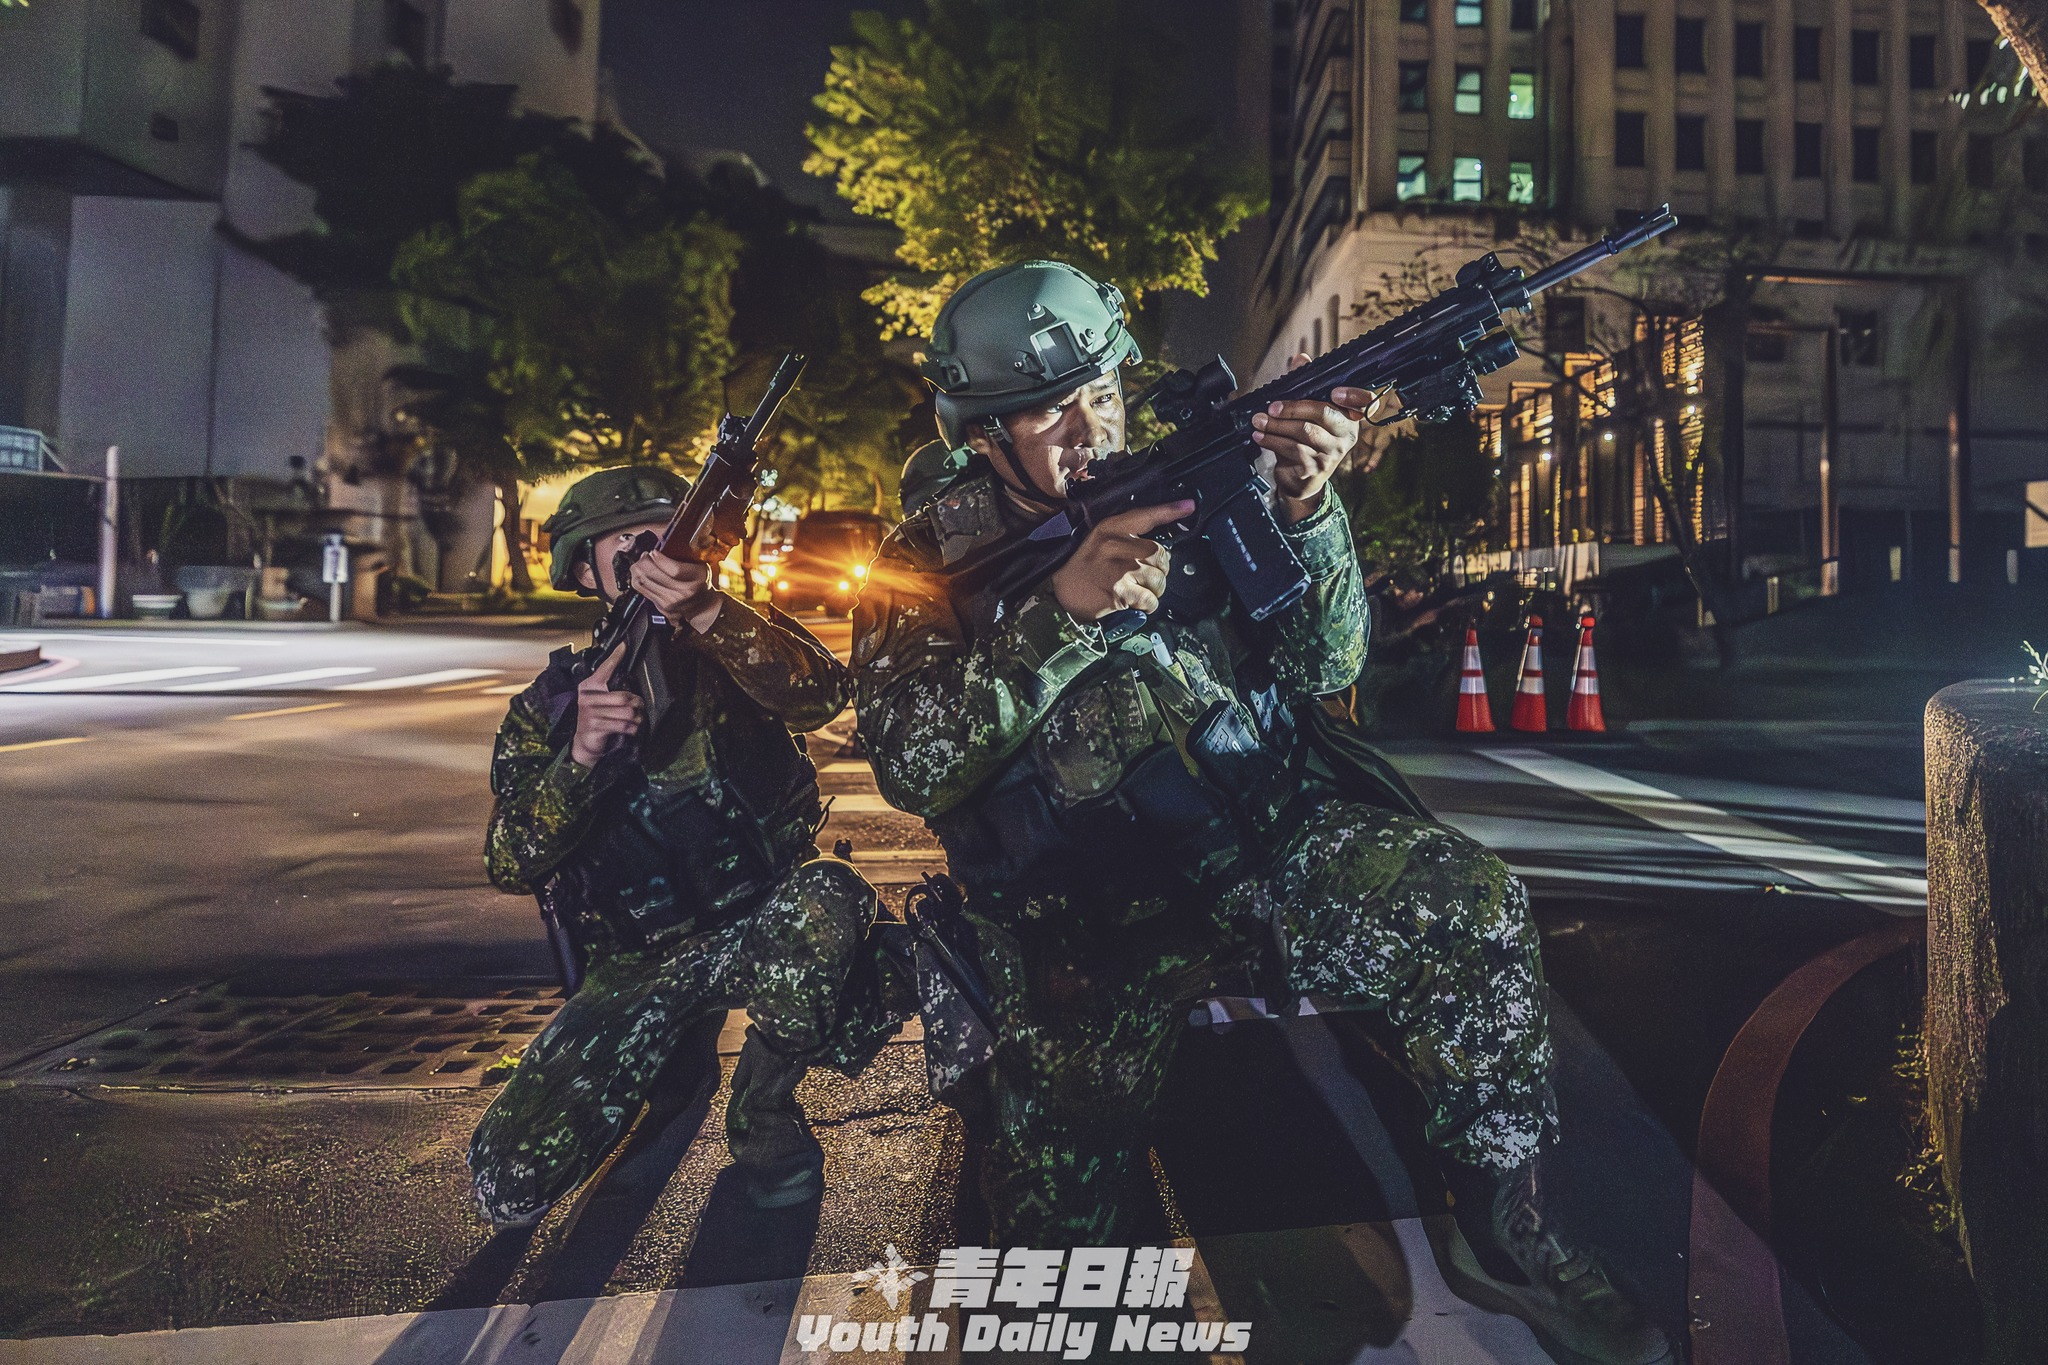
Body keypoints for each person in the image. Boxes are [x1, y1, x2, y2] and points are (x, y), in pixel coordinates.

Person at [854, 262, 1674, 1365]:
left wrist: (1306, 507)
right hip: (1078, 931)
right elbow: (913, 766)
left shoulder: (1185, 486)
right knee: (1061, 1279)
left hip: (1258, 849)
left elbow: (1326, 661)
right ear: (983, 433)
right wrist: (1061, 616)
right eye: (1050, 412)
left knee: (1471, 904)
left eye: (1102, 391)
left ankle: (1501, 1226)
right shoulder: (923, 561)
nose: (1089, 427)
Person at [470, 466, 901, 1222]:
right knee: (508, 1184)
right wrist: (580, 759)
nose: (651, 555)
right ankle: (676, 1062)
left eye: (667, 538)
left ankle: (764, 1105)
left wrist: (708, 612)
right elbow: (509, 859)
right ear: (583, 568)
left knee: (836, 898)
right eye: (628, 543)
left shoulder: (733, 636)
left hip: (760, 919)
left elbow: (823, 695)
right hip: (639, 960)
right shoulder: (552, 707)